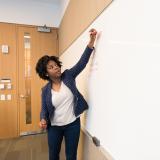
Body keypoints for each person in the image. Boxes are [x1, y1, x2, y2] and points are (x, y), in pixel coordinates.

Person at [35, 28, 97, 160]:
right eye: (51, 67)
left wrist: (91, 41)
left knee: (71, 156)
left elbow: (81, 63)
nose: (56, 67)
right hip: (54, 127)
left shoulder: (68, 75)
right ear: (46, 73)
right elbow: (44, 109)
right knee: (53, 155)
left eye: (56, 65)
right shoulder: (45, 90)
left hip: (72, 124)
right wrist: (42, 119)